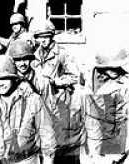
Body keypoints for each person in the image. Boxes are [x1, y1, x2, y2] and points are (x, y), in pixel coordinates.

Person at [0, 55, 56, 164]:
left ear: (14, 78)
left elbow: (47, 135)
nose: (0, 83)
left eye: (5, 78)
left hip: (25, 160)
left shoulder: (32, 100)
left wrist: (48, 160)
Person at [32, 19, 83, 164]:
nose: (43, 40)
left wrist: (58, 81)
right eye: (40, 37)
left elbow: (75, 76)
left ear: (52, 35)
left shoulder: (61, 53)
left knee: (60, 137)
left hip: (60, 100)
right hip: (41, 101)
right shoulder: (34, 55)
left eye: (46, 36)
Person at [80, 47, 129, 164]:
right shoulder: (90, 78)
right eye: (110, 68)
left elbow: (122, 117)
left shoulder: (125, 83)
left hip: (113, 130)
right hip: (91, 127)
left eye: (117, 67)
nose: (114, 70)